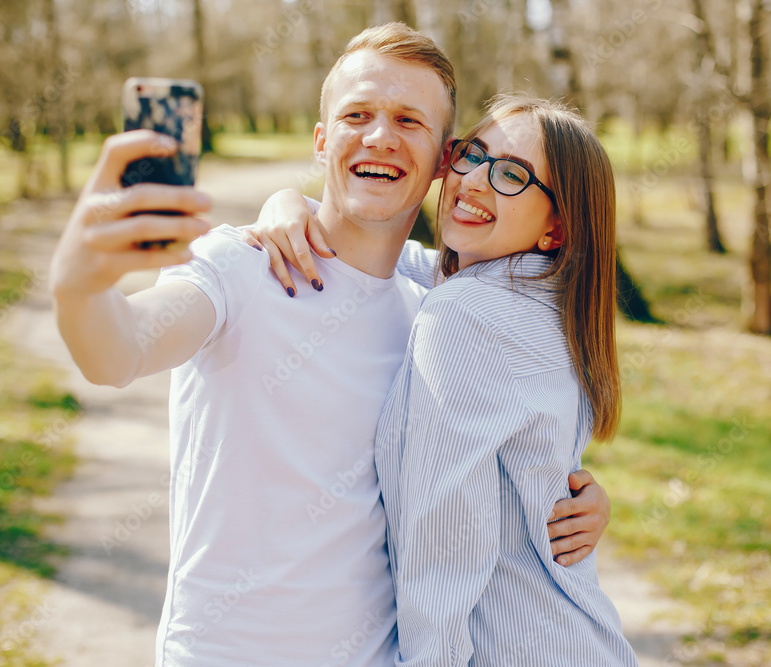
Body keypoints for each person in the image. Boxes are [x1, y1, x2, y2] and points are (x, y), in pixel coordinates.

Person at [50, 23, 609, 666]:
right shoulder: (243, 265)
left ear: (442, 161)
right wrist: (78, 288)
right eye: (357, 115)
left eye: (407, 120)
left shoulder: (436, 305)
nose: (379, 136)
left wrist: (577, 499)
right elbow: (117, 351)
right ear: (322, 141)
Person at [245, 94, 636, 664]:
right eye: (472, 155)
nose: (474, 181)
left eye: (511, 175)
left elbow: (442, 540)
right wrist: (287, 203)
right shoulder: (545, 301)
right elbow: (392, 260)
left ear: (557, 228)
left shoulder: (467, 315)